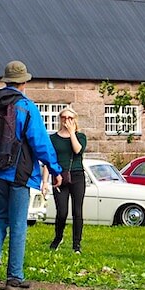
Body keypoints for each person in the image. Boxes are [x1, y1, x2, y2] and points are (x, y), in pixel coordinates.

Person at [0, 60, 63, 290]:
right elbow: (41, 143)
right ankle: (14, 277)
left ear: (6, 80)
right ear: (24, 82)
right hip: (19, 173)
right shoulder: (27, 107)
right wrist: (55, 169)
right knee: (18, 224)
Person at [45, 106, 87, 252]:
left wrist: (71, 133)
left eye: (70, 118)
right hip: (59, 176)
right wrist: (45, 182)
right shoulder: (53, 138)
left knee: (77, 211)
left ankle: (76, 244)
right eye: (64, 118)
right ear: (60, 120)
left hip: (77, 175)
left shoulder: (80, 136)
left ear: (75, 120)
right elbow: (48, 160)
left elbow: (77, 150)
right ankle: (58, 237)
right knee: (62, 212)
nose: (67, 120)